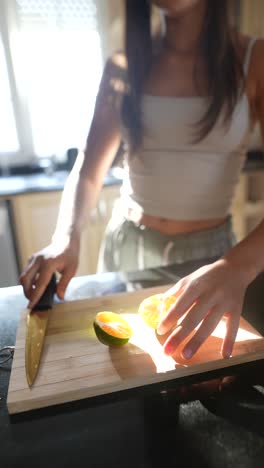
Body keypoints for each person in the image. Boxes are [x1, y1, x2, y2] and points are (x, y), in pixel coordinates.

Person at [20, 0, 264, 361]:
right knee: (123, 372)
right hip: (127, 252)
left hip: (212, 260)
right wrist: (66, 236)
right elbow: (89, 167)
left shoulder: (255, 60)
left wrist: (236, 266)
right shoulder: (124, 65)